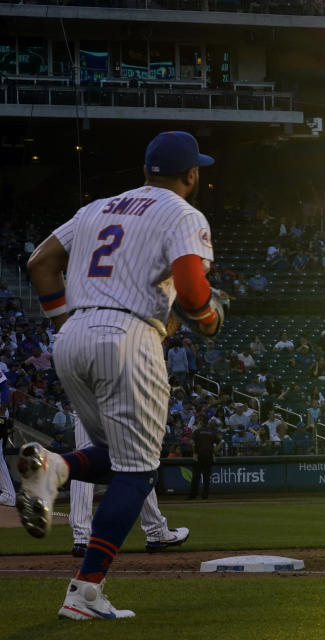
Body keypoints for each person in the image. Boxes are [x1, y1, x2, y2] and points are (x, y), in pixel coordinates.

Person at [18, 130, 222, 620]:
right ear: (191, 175)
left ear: (146, 171)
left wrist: (69, 323)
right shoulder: (183, 212)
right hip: (128, 335)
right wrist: (210, 316)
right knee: (139, 472)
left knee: (113, 453)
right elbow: (194, 292)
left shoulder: (97, 208)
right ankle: (85, 592)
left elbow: (40, 263)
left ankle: (56, 468)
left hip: (73, 333)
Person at [69, 415, 189, 557]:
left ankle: (81, 538)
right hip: (119, 403)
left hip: (85, 401)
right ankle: (156, 531)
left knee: (84, 463)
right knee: (138, 461)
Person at [189, 418, 219, 499]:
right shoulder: (212, 432)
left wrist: (194, 453)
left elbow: (192, 443)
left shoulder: (197, 432)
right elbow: (220, 442)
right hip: (209, 455)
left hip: (199, 455)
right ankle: (205, 496)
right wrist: (214, 452)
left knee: (196, 476)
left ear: (201, 422)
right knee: (206, 477)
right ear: (207, 423)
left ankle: (193, 495)